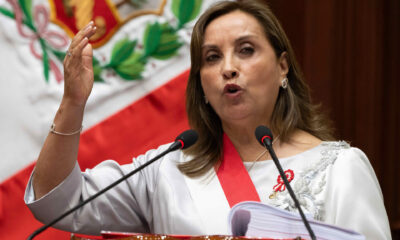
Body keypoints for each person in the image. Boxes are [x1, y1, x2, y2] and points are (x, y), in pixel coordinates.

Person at [25, 1, 391, 239]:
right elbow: (56, 201)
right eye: (212, 58)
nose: (228, 68)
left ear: (282, 66)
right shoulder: (165, 171)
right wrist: (72, 102)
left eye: (246, 50)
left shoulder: (341, 169)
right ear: (200, 82)